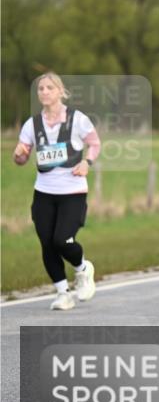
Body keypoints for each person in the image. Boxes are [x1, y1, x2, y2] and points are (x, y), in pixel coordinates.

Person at [12, 72, 101, 310]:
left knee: (62, 240)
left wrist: (86, 163)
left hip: (72, 192)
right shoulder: (32, 124)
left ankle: (83, 269)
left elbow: (95, 144)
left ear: (60, 91)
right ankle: (63, 293)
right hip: (44, 192)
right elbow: (22, 158)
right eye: (40, 88)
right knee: (47, 243)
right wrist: (18, 155)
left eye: (49, 88)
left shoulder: (77, 119)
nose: (44, 92)